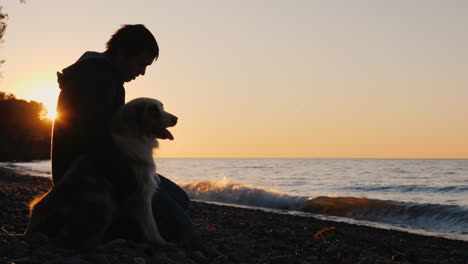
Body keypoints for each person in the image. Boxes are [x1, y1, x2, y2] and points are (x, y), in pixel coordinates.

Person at [51, 24, 195, 247]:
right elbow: (94, 139)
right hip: (89, 180)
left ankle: (124, 221)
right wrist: (132, 183)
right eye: (140, 63)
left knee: (181, 198)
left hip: (105, 168)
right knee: (181, 230)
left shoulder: (106, 77)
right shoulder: (97, 77)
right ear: (120, 53)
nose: (142, 72)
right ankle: (109, 230)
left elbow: (113, 134)